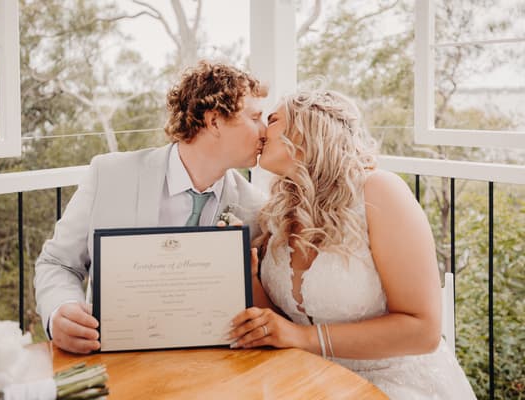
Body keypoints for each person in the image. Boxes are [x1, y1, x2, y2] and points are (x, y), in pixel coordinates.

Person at [228, 87, 476, 398]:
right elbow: (283, 328)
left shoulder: (379, 192)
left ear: (306, 130)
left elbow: (422, 331)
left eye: (272, 119)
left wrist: (305, 338)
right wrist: (248, 277)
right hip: (308, 378)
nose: (262, 131)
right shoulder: (279, 210)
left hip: (393, 383)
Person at [35, 61, 268, 354]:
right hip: (116, 364)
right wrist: (59, 310)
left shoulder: (256, 208)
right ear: (214, 121)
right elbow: (57, 263)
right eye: (256, 117)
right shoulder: (109, 175)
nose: (265, 131)